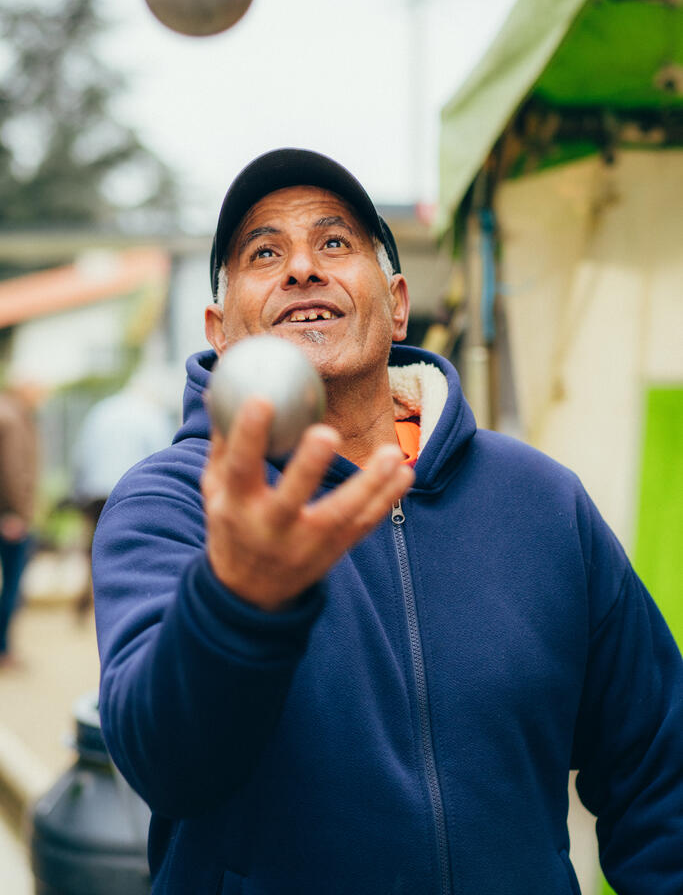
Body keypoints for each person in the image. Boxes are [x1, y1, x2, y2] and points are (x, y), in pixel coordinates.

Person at [93, 149, 683, 895]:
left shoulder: (540, 500)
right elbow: (165, 765)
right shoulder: (170, 503)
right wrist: (237, 605)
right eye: (263, 252)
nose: (302, 268)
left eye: (335, 242)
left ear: (397, 302)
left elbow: (658, 766)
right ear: (220, 327)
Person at [71, 368, 175, 618]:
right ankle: (120, 603)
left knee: (95, 547)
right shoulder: (153, 415)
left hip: (95, 491)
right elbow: (164, 455)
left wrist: (79, 490)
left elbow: (81, 453)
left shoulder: (101, 410)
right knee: (133, 550)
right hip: (132, 492)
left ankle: (90, 597)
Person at [0, 378, 41, 667]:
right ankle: (4, 649)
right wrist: (15, 513)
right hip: (10, 518)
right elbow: (13, 470)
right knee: (12, 585)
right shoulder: (12, 419)